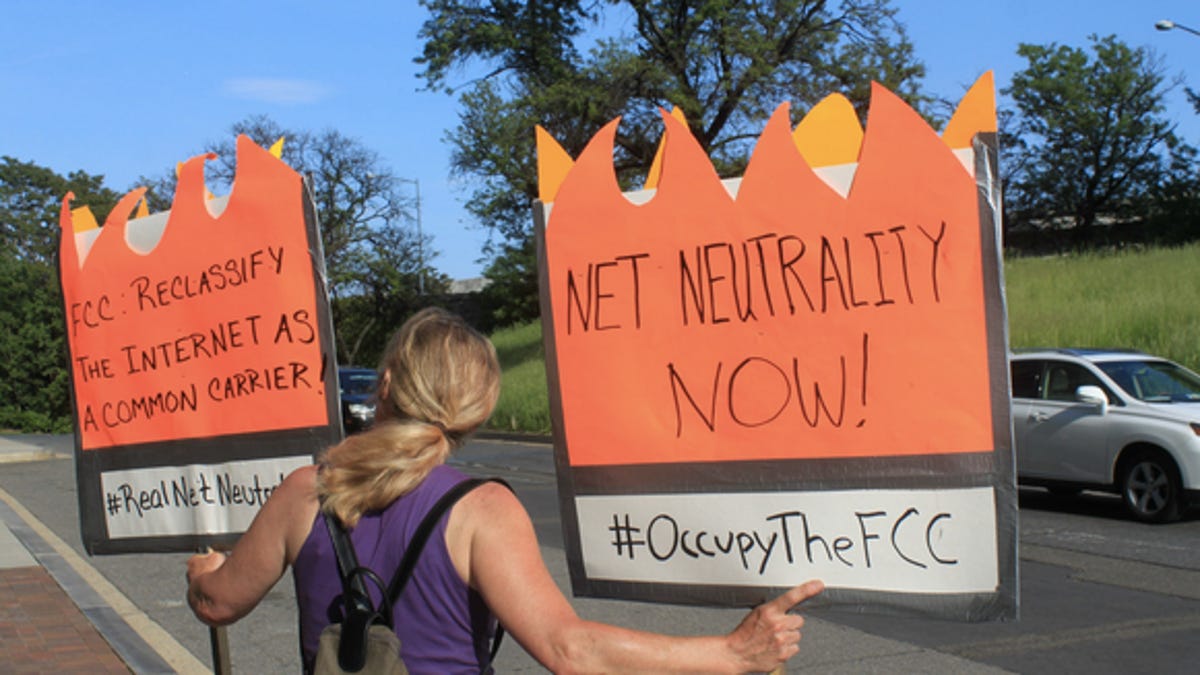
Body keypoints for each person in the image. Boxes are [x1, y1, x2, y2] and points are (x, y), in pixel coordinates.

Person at [187, 307, 824, 673]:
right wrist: (733, 654)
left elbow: (216, 604)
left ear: (383, 384)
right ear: (478, 405)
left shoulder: (305, 490)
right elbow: (567, 649)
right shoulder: (480, 510)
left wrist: (204, 571)